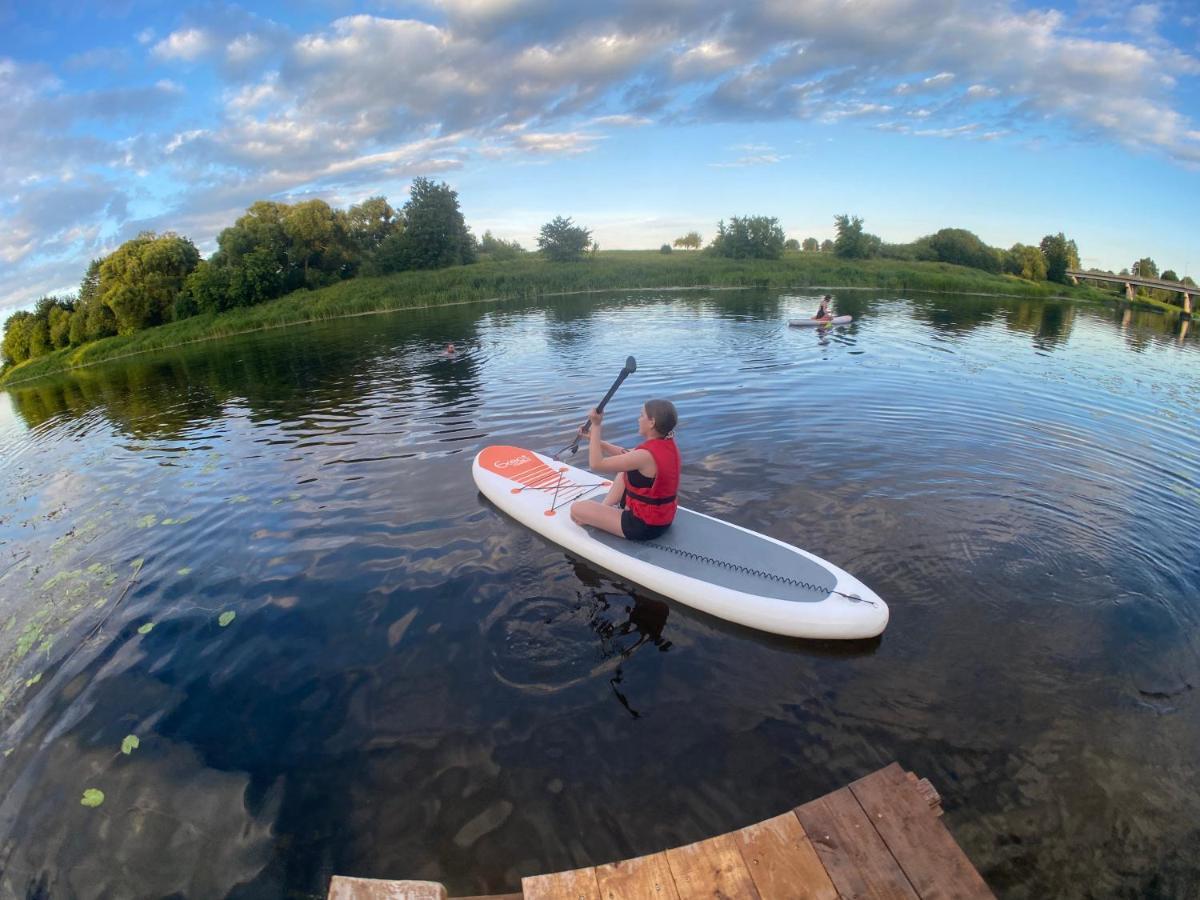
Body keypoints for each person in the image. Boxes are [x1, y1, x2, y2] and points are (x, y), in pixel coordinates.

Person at [569, 399, 680, 541]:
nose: (638, 419)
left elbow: (596, 465)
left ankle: (602, 515)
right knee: (624, 471)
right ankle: (605, 509)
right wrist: (594, 439)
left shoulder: (645, 455)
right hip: (663, 518)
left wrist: (596, 426)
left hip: (643, 526)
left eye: (641, 415)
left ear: (652, 422)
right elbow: (627, 455)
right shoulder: (666, 444)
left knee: (577, 510)